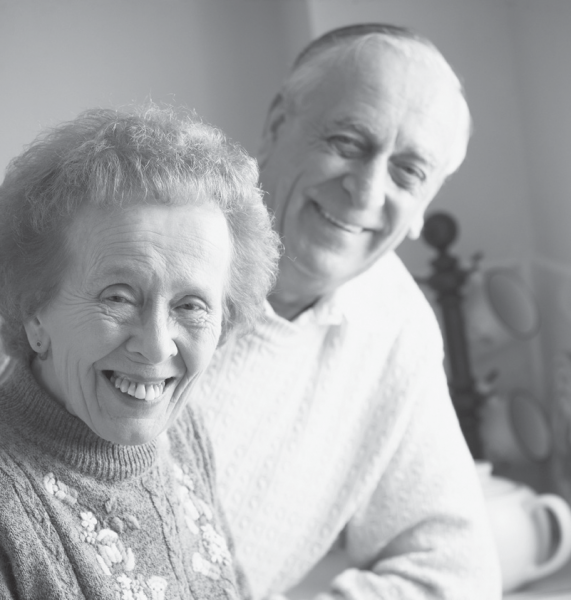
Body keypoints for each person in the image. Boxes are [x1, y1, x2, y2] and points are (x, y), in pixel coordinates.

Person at [194, 24, 502, 599]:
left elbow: (457, 571)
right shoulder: (151, 246)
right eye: (348, 142)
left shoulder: (395, 324)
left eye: (408, 171)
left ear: (422, 210)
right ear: (277, 127)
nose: (365, 192)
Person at [0, 106, 279, 599]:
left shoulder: (181, 430)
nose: (155, 346)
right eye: (118, 297)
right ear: (33, 313)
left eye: (191, 305)